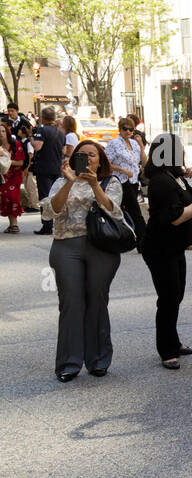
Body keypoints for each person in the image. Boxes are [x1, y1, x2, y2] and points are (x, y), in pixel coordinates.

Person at [43, 139, 127, 381]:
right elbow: (50, 211)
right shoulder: (61, 181)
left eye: (92, 155)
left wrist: (94, 185)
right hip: (66, 246)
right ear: (73, 158)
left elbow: (113, 210)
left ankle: (99, 360)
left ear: (100, 159)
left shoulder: (110, 182)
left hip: (100, 247)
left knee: (97, 301)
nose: (88, 158)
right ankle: (69, 363)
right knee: (71, 303)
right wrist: (69, 183)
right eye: (82, 154)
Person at [142, 134, 192, 369]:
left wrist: (191, 179)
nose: (183, 152)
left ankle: (174, 341)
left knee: (175, 295)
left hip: (174, 247)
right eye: (180, 148)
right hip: (160, 248)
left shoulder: (173, 176)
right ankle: (167, 350)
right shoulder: (161, 181)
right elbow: (175, 217)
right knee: (168, 298)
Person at [105, 117, 147, 252]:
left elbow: (143, 162)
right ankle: (144, 242)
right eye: (125, 129)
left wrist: (141, 145)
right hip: (119, 182)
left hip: (133, 182)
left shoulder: (134, 144)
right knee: (134, 213)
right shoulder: (114, 144)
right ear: (120, 129)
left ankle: (125, 240)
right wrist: (122, 170)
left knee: (123, 212)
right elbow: (106, 164)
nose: (128, 132)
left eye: (131, 129)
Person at [29, 107, 64, 234]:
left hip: (44, 168)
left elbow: (38, 147)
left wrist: (31, 139)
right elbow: (64, 151)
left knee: (45, 197)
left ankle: (47, 225)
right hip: (56, 168)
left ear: (43, 118)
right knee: (57, 197)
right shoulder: (60, 132)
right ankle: (58, 224)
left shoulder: (41, 130)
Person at [0, 125, 21, 233]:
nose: (1, 133)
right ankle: (11, 225)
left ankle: (14, 224)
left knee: (13, 198)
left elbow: (21, 162)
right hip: (2, 178)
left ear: (7, 133)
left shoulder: (15, 145)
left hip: (14, 176)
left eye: (3, 131)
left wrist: (6, 160)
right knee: (5, 199)